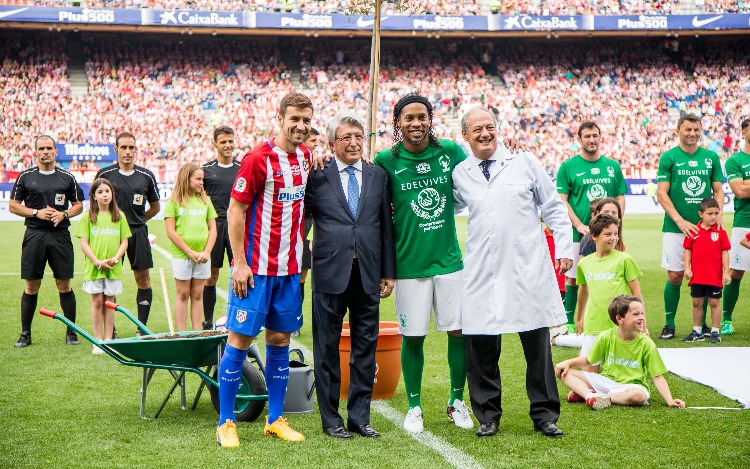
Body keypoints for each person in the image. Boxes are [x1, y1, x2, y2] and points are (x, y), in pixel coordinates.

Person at [452, 107, 573, 438]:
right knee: (481, 348)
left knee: (537, 346)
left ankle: (544, 414)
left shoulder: (524, 163)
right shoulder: (460, 173)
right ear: (465, 135)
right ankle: (488, 415)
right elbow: (442, 206)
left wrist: (564, 248)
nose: (485, 133)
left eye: (490, 127)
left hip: (525, 269)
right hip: (481, 270)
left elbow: (553, 207)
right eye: (477, 129)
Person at [215, 92, 313, 447]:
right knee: (239, 341)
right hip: (255, 270)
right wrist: (239, 263)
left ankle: (274, 419)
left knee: (280, 341)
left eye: (306, 120)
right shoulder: (258, 159)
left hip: (289, 270)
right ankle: (226, 421)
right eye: (295, 120)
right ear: (281, 118)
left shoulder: (305, 156)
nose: (300, 126)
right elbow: (235, 211)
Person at [372, 93, 473, 433]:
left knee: (458, 333)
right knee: (413, 337)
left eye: (421, 117)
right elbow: (378, 213)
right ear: (397, 123)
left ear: (430, 119)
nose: (415, 124)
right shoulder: (385, 160)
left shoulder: (451, 152)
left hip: (449, 262)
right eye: (408, 118)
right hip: (409, 265)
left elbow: (478, 179)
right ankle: (414, 405)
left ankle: (457, 400)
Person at [305, 111, 396, 439]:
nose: (354, 142)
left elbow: (385, 226)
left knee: (365, 347)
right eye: (346, 137)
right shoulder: (316, 174)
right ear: (331, 143)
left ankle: (359, 417)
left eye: (359, 136)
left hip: (368, 272)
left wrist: (388, 272)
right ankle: (331, 419)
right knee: (326, 347)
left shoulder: (377, 176)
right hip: (330, 272)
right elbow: (303, 220)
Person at [9, 135, 85, 348]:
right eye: (41, 148)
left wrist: (64, 215)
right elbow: (13, 205)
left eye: (49, 148)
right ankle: (25, 334)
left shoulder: (67, 177)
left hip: (60, 235)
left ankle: (71, 331)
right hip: (34, 234)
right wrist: (35, 212)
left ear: (55, 151)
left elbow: (78, 205)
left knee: (64, 284)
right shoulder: (25, 177)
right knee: (32, 284)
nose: (45, 152)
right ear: (36, 151)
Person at [656, 114, 724, 340]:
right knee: (675, 276)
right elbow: (662, 192)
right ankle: (669, 324)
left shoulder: (710, 157)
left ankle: (702, 326)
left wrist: (718, 216)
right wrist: (680, 221)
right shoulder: (669, 157)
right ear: (678, 131)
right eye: (688, 129)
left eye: (696, 129)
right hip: (676, 228)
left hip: (704, 229)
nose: (692, 133)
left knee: (704, 276)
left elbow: (718, 190)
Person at [556, 122, 627, 334]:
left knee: (609, 275)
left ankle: (608, 319)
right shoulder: (568, 167)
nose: (591, 139)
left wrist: (617, 225)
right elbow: (562, 200)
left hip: (608, 235)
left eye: (595, 135)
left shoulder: (612, 166)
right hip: (579, 234)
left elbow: (620, 197)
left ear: (600, 137)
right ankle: (570, 322)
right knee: (573, 277)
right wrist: (579, 225)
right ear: (579, 139)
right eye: (587, 136)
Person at [556, 295, 686, 410]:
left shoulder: (647, 343)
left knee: (639, 396)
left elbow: (657, 376)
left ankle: (601, 398)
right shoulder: (606, 336)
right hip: (605, 381)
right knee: (564, 372)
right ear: (619, 319)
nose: (641, 318)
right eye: (636, 314)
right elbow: (588, 360)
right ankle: (589, 396)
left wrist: (670, 400)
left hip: (632, 386)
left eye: (642, 313)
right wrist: (567, 363)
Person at [96, 132, 160, 334]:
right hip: (111, 234)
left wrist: (139, 221)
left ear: (136, 150)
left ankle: (141, 328)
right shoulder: (104, 175)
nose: (127, 151)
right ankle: (110, 329)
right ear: (116, 150)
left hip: (137, 233)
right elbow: (94, 206)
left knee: (143, 279)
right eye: (123, 147)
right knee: (109, 281)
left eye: (131, 147)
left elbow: (155, 207)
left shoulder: (146, 176)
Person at [574, 214, 644, 370]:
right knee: (590, 374)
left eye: (615, 233)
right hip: (593, 324)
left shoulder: (624, 260)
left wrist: (642, 322)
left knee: (620, 372)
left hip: (619, 325)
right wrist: (579, 318)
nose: (613, 238)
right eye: (608, 234)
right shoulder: (584, 263)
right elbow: (583, 291)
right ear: (594, 236)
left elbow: (637, 294)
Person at [75, 178, 131, 353]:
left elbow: (124, 242)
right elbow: (84, 244)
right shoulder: (87, 217)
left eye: (107, 191)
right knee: (97, 301)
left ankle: (109, 340)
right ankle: (97, 341)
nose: (104, 195)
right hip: (94, 268)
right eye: (100, 192)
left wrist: (115, 259)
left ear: (112, 194)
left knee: (110, 302)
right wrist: (97, 262)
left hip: (113, 267)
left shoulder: (119, 216)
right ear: (93, 196)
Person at [165, 163, 217, 332]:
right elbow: (171, 232)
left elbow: (213, 229)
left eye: (202, 179)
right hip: (182, 255)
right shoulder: (173, 202)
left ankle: (197, 332)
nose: (201, 182)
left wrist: (207, 252)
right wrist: (190, 252)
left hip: (203, 256)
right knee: (183, 294)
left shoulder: (205, 201)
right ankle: (182, 334)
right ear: (186, 178)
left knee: (197, 294)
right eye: (198, 179)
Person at [201, 126, 240, 330]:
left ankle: (238, 319)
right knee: (211, 275)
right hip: (214, 227)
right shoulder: (206, 170)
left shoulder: (242, 168)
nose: (227, 145)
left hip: (238, 226)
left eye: (230, 141)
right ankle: (207, 321)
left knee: (239, 273)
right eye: (223, 142)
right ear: (214, 144)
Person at [682, 198, 731, 344]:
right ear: (701, 214)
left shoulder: (721, 232)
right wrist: (687, 268)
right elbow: (687, 250)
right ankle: (697, 331)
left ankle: (715, 332)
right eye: (710, 213)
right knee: (697, 302)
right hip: (697, 276)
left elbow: (725, 252)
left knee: (714, 302)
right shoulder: (694, 231)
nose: (713, 217)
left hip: (714, 276)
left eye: (716, 213)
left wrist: (726, 271)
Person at [721, 118, 750, 335]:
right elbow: (740, 191)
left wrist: (746, 183)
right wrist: (743, 185)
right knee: (736, 271)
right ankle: (726, 318)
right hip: (744, 221)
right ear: (743, 132)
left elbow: (744, 185)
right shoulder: (735, 161)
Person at [294, 128, 321, 338]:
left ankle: (303, 321)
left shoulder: (320, 165)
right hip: (299, 222)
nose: (316, 145)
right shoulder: (297, 164)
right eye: (313, 141)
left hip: (315, 222)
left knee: (309, 275)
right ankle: (293, 320)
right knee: (297, 275)